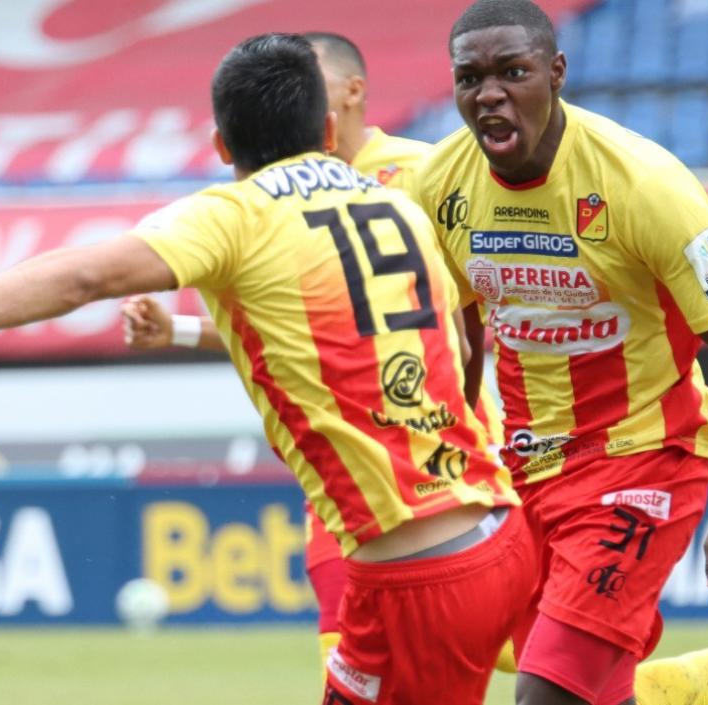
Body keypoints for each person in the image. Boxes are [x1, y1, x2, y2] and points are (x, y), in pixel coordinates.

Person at [0, 33, 536, 705]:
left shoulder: (237, 214)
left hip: (415, 572)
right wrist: (185, 331)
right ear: (325, 129)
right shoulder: (397, 207)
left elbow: (84, 276)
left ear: (221, 144)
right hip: (495, 530)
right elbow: (422, 344)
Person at [407, 2, 708, 705]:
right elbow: (463, 324)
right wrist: (458, 452)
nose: (489, 94)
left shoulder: (644, 184)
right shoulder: (440, 185)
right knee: (583, 684)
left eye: (512, 72)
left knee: (546, 693)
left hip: (642, 460)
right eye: (470, 78)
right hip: (524, 470)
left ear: (556, 72)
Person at [120, 29, 516, 675]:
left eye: (310, 80)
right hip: (343, 474)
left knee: (530, 664)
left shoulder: (421, 174)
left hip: (436, 456)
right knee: (346, 651)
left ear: (349, 96)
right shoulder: (268, 195)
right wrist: (182, 331)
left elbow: (466, 316)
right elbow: (305, 330)